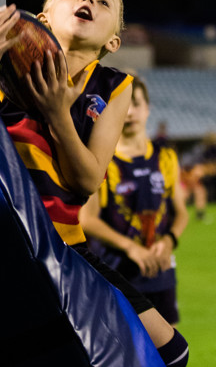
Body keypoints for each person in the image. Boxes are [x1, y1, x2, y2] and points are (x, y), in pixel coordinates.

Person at [0, 0, 189, 367]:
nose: (88, 1)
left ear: (114, 41)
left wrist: (58, 114)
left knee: (171, 354)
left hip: (64, 245)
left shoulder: (114, 87)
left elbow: (87, 181)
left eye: (104, 2)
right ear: (45, 16)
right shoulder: (2, 65)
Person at [80, 76, 188, 327]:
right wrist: (131, 247)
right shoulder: (101, 158)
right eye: (123, 105)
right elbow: (87, 220)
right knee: (125, 358)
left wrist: (170, 240)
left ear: (148, 108)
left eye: (136, 104)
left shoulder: (166, 157)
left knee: (168, 358)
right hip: (116, 273)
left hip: (160, 272)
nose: (129, 113)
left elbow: (181, 211)